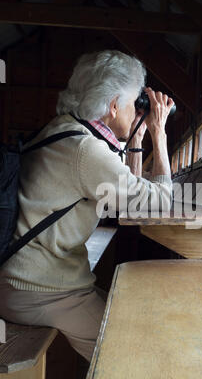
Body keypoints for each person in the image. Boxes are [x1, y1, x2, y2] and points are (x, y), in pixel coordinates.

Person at [0, 50, 173, 362]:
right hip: (41, 290)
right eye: (134, 102)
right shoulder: (85, 150)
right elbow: (158, 202)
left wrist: (138, 134)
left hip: (28, 281)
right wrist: (159, 135)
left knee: (124, 315)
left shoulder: (65, 131)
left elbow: (128, 195)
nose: (137, 109)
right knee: (134, 354)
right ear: (113, 106)